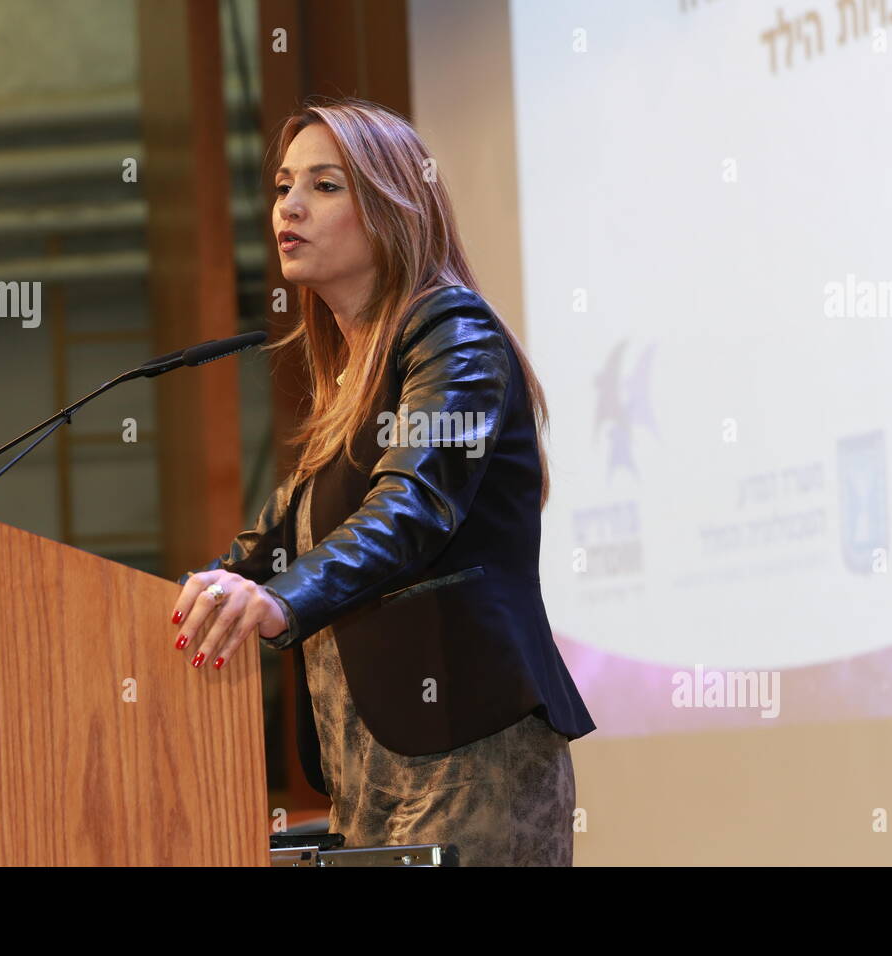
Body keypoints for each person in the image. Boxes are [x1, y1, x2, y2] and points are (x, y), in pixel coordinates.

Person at [168, 96, 595, 866]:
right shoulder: (351, 388)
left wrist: (279, 599)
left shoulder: (455, 337)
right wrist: (190, 598)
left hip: (469, 755)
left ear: (394, 207)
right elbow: (270, 544)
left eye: (325, 186)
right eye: (283, 186)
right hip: (366, 778)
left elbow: (413, 506)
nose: (289, 206)